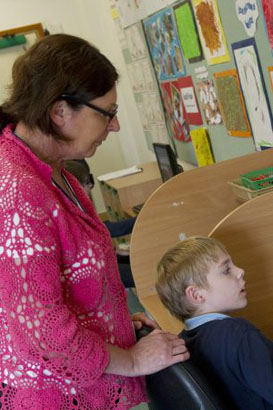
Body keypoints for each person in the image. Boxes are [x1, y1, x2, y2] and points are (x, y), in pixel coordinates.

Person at [0, 33, 190, 410]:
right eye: (108, 112)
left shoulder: (57, 175)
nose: (115, 125)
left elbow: (65, 281)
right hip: (56, 397)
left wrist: (115, 322)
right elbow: (43, 332)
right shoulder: (18, 192)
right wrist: (133, 360)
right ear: (59, 112)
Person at [156, 236, 273, 410]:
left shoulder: (184, 341)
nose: (240, 271)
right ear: (197, 295)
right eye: (226, 270)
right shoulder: (239, 335)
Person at [64, 159, 136, 288]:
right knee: (142, 272)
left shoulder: (76, 209)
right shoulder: (70, 215)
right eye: (86, 183)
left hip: (100, 266)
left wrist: (116, 254)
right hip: (98, 274)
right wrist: (141, 216)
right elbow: (112, 230)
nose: (89, 187)